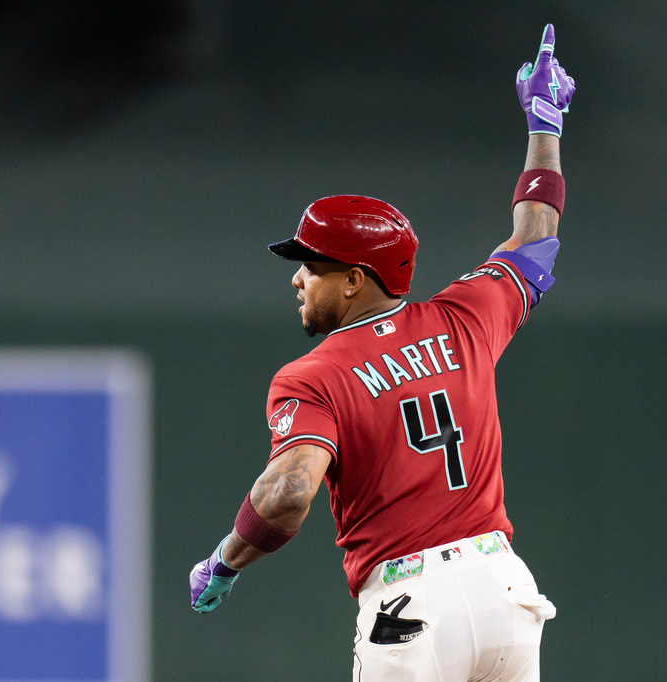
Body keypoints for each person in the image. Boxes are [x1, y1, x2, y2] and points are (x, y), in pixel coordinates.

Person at [190, 23, 576, 681]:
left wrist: (225, 560)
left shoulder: (314, 377)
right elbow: (536, 236)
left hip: (409, 605)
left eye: (311, 265)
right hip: (506, 591)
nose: (297, 277)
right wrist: (547, 125)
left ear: (353, 280)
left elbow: (286, 494)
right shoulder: (467, 314)